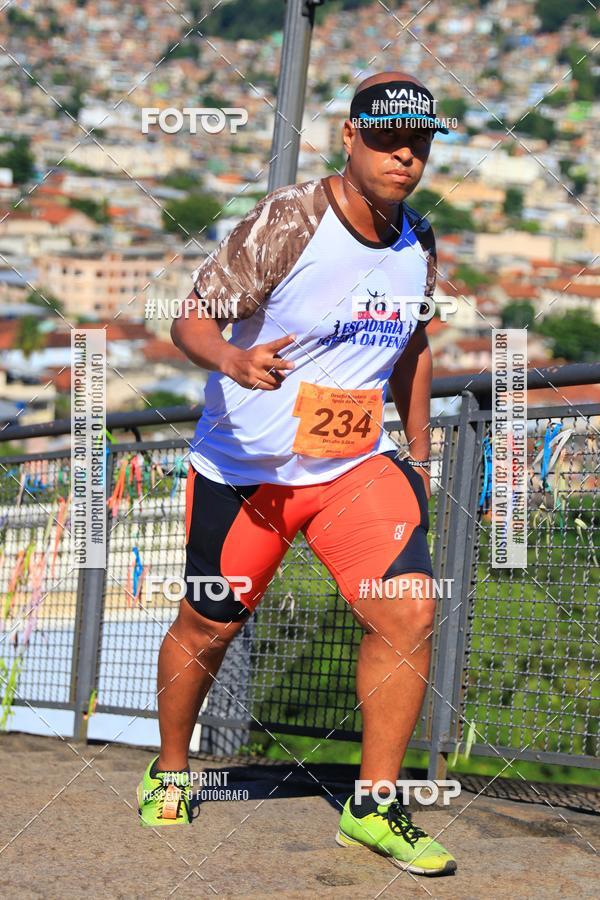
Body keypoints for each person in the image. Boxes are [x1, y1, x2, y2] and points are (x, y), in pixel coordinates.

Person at [137, 70, 457, 877]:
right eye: (386, 139)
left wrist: (418, 453)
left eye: (417, 143)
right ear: (348, 138)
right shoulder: (291, 220)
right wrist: (233, 358)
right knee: (210, 626)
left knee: (408, 611)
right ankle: (170, 767)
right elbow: (190, 315)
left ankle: (375, 805)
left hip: (353, 466)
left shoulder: (416, 236)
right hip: (247, 472)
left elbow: (413, 348)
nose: (403, 156)